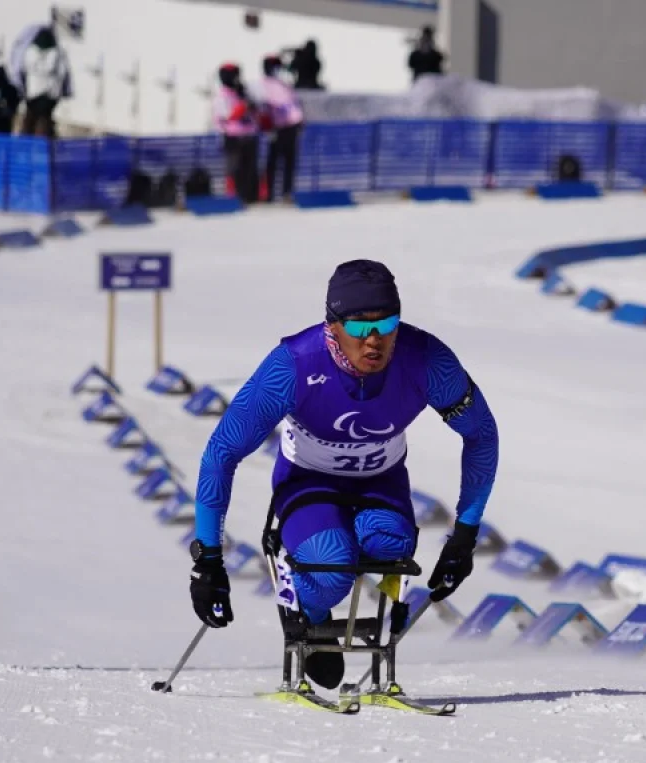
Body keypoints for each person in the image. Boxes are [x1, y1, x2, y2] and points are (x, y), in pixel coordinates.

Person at [188, 260, 499, 690]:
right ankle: (311, 620)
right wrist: (208, 559)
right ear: (332, 325)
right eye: (358, 328)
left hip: (381, 480)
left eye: (387, 323)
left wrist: (465, 533)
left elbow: (482, 434)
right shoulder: (293, 364)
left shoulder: (427, 359)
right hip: (309, 480)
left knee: (391, 550)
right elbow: (222, 452)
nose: (374, 340)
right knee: (332, 564)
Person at [212, 63, 260, 203]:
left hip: (249, 136)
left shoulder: (240, 93)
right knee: (234, 168)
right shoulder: (222, 96)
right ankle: (233, 197)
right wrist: (244, 106)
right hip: (232, 137)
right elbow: (229, 116)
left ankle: (250, 197)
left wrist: (248, 101)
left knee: (249, 169)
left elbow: (255, 111)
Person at [259, 54, 304, 203]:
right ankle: (267, 193)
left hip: (289, 127)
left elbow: (293, 105)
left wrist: (298, 120)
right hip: (275, 128)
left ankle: (287, 192)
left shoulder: (284, 84)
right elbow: (264, 107)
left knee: (289, 161)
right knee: (271, 162)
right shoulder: (262, 85)